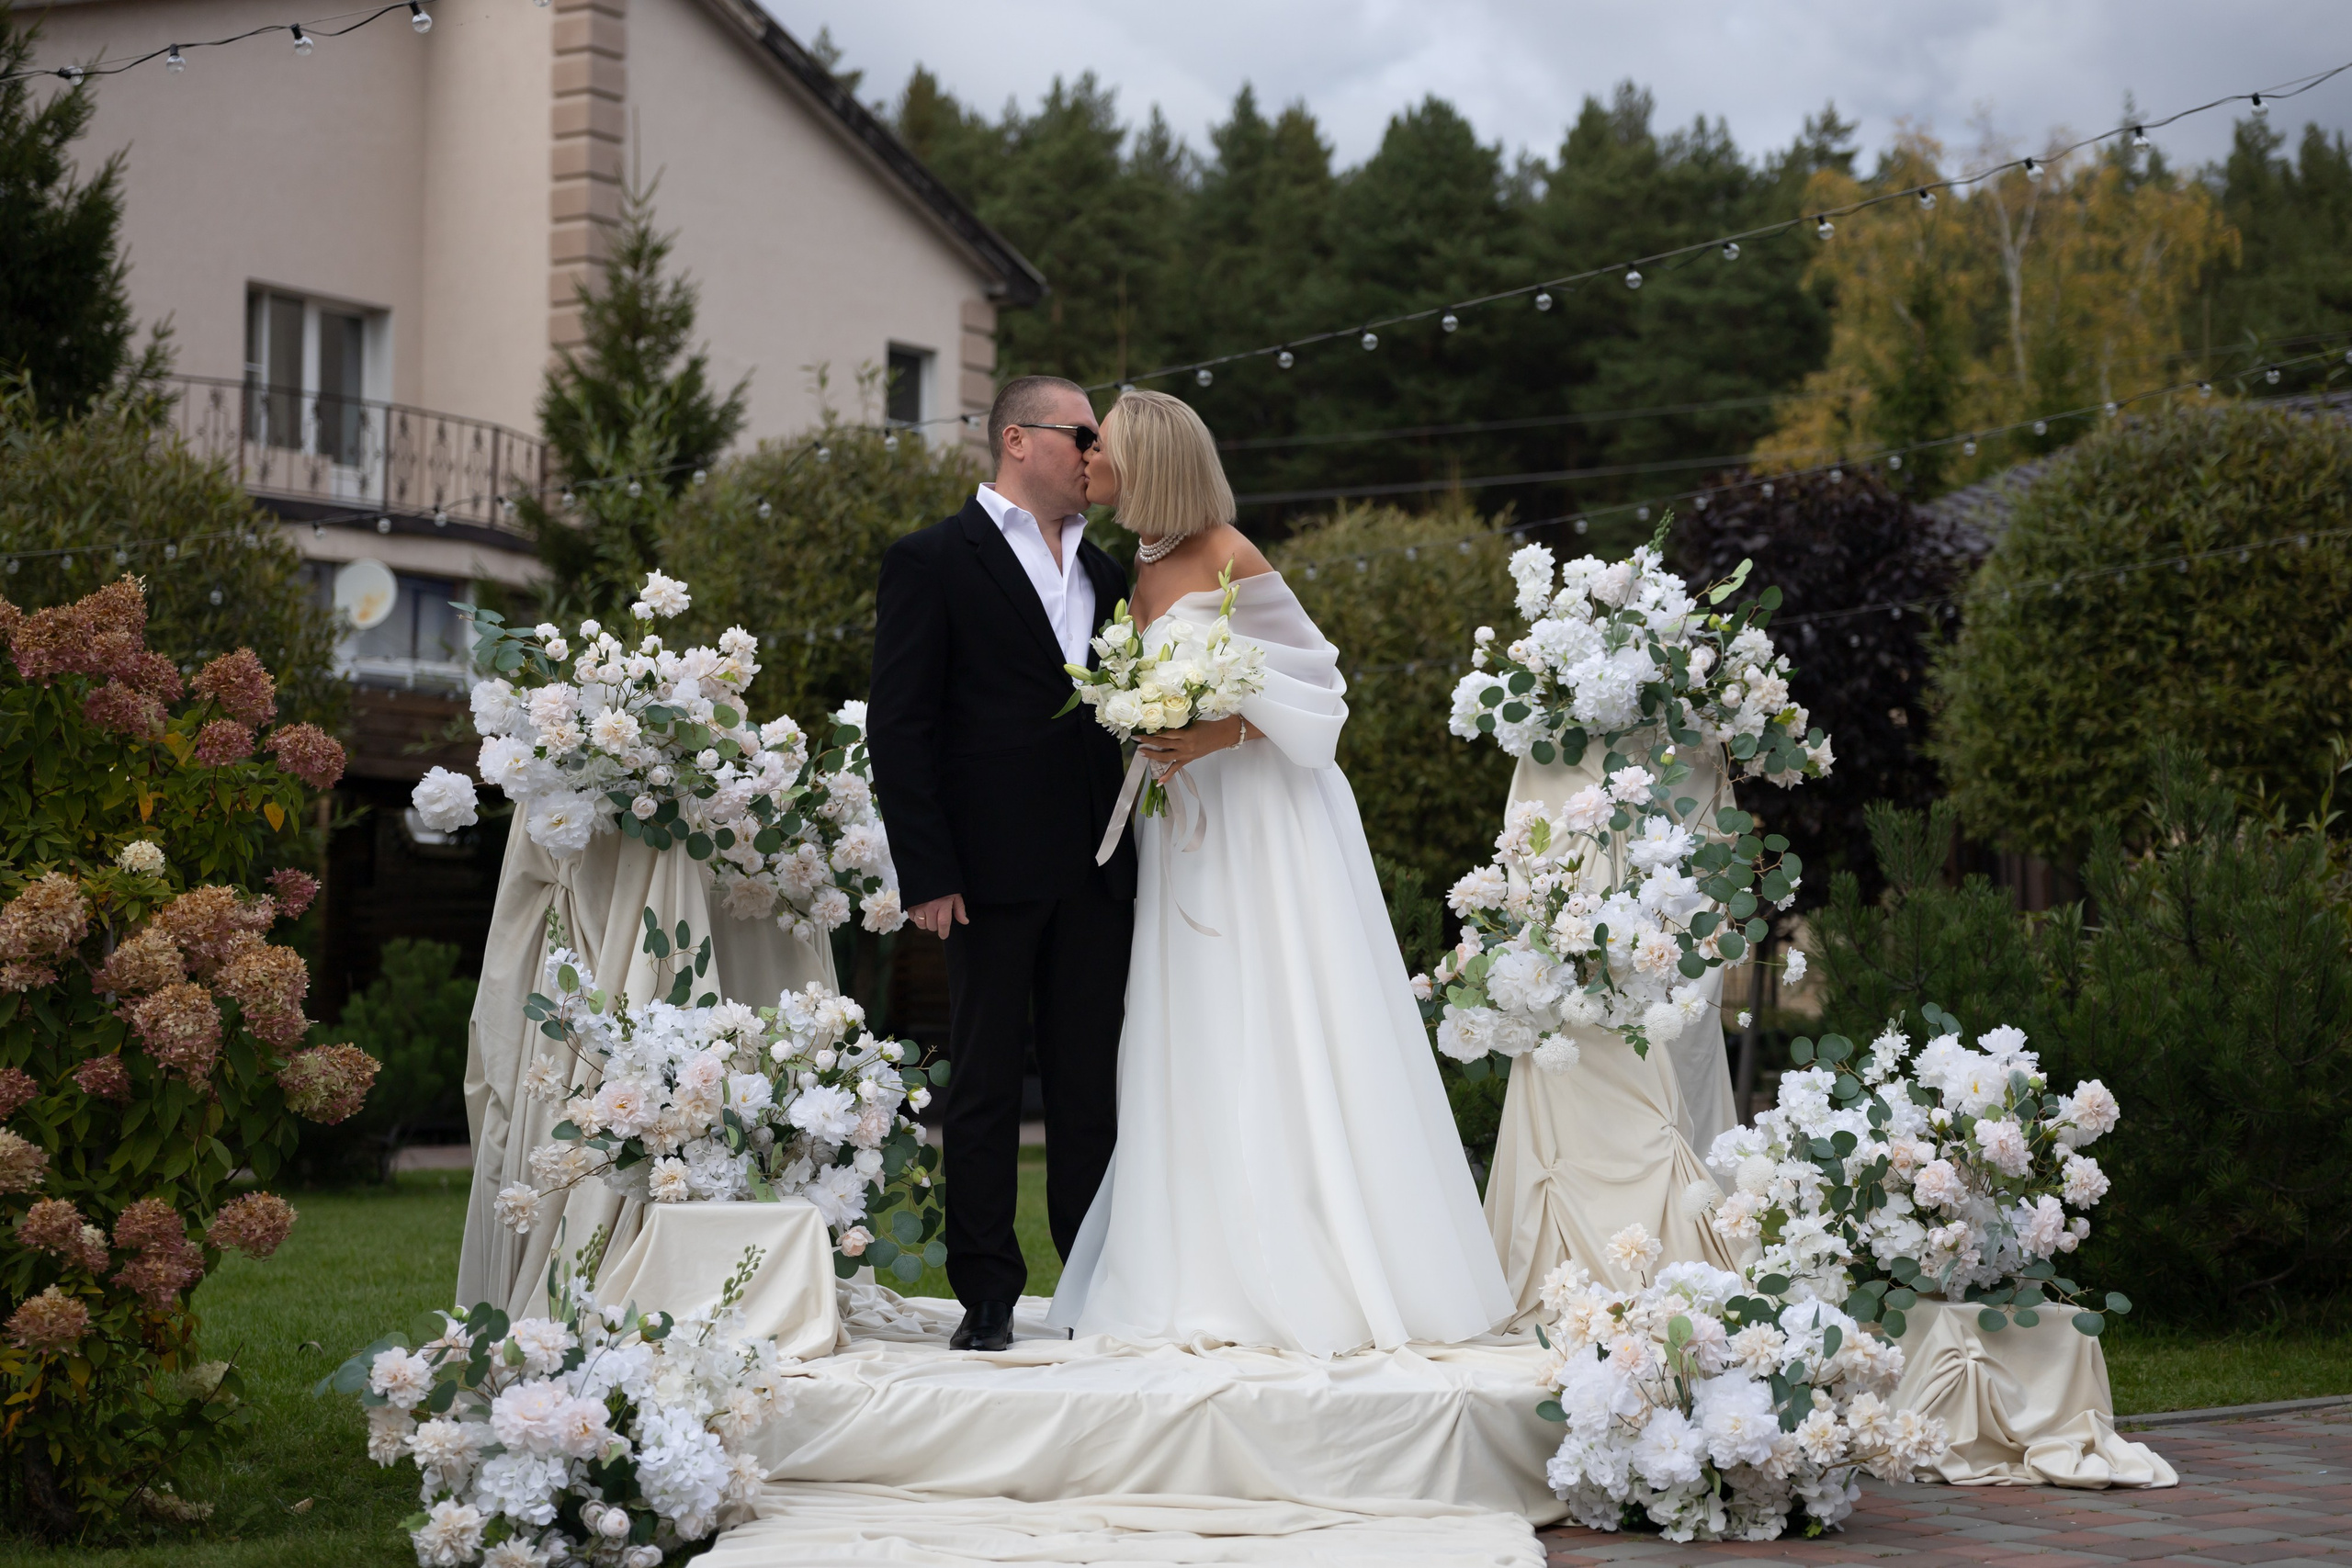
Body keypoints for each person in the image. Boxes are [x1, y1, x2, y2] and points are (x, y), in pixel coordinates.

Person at [1045, 390, 1513, 1354]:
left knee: (1278, 1009)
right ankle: (1193, 1257)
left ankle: (1311, 1257)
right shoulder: (1134, 568)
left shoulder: (1227, 552)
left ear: (1148, 459)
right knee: (1192, 1021)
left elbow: (1322, 690)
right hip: (1182, 835)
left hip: (1264, 823)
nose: (1086, 455)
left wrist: (1211, 730)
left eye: (1102, 444)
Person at [867, 376, 1136, 1354]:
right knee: (981, 1085)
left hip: (1099, 873)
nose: (1095, 451)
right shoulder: (933, 561)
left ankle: (1094, 1278)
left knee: (1088, 1087)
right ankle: (986, 1290)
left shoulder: (1112, 576)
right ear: (1018, 440)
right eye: (1082, 433)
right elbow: (900, 727)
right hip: (980, 873)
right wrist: (927, 869)